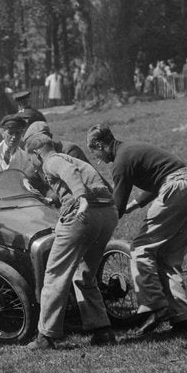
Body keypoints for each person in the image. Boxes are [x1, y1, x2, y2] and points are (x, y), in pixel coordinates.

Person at [87, 123, 187, 336]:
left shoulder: (120, 161)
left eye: (95, 153)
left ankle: (155, 307)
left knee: (140, 248)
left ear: (100, 145)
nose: (98, 159)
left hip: (175, 189)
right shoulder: (130, 150)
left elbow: (116, 207)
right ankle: (182, 318)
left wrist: (98, 233)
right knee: (168, 258)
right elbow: (157, 179)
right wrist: (135, 205)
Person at [23, 136, 118, 348]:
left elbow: (70, 174)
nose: (33, 164)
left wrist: (82, 200)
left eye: (31, 159)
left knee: (55, 274)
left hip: (83, 214)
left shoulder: (51, 160)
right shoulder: (74, 159)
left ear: (37, 153)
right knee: (84, 273)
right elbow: (100, 186)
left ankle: (45, 336)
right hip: (107, 213)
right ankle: (102, 330)